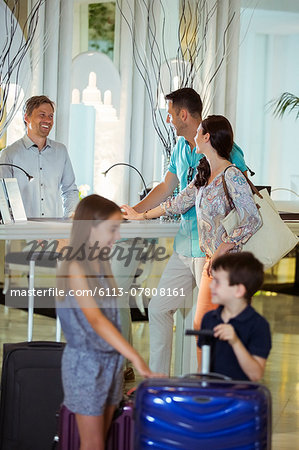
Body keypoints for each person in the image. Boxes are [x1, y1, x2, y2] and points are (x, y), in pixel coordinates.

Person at [122, 87, 247, 375]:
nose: (168, 121)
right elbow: (168, 189)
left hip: (211, 252)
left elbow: (238, 197)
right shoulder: (180, 147)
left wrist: (225, 247)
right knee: (159, 308)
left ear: (183, 114)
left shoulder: (223, 148)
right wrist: (136, 212)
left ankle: (202, 386)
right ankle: (158, 382)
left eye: (170, 115)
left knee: (203, 322)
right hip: (184, 246)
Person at [56, 194, 161, 450]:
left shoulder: (101, 261)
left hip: (110, 363)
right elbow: (96, 320)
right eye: (112, 229)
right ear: (91, 227)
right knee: (93, 443)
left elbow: (112, 314)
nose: (117, 237)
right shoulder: (76, 267)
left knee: (100, 441)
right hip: (86, 366)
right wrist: (135, 357)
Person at [0, 95, 78, 218]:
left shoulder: (61, 151)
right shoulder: (9, 154)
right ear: (27, 117)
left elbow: (70, 191)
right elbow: (3, 198)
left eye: (51, 116)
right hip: (21, 233)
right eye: (42, 115)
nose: (48, 120)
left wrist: (69, 219)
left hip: (54, 233)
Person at [199, 252, 272, 381]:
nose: (211, 286)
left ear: (238, 290)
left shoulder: (259, 325)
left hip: (241, 398)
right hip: (213, 396)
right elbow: (202, 368)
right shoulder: (209, 319)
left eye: (217, 282)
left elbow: (256, 375)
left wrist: (235, 341)